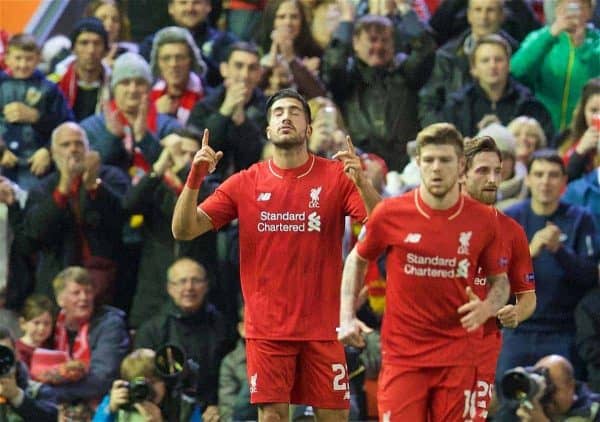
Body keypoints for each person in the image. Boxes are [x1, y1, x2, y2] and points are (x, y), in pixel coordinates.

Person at [172, 88, 381, 421]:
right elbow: (184, 230)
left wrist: (362, 183)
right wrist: (195, 179)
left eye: (296, 112)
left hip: (323, 327)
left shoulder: (335, 177)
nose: (286, 117)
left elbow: (382, 225)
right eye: (279, 112)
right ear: (268, 129)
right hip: (268, 330)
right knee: (272, 418)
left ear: (309, 130)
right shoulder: (245, 182)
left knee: (335, 418)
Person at [337, 122, 511, 421]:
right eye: (428, 160)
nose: (436, 168)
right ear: (418, 163)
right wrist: (346, 316)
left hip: (458, 356)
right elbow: (356, 258)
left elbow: (501, 283)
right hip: (404, 357)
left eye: (445, 160)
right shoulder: (392, 213)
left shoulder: (484, 221)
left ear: (461, 165)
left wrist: (487, 308)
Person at [497, 149, 600, 380]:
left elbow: (591, 277)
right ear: (529, 179)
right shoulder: (510, 219)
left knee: (560, 402)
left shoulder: (580, 219)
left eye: (553, 175)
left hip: (563, 330)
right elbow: (493, 277)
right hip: (517, 329)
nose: (545, 182)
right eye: (539, 174)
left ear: (564, 182)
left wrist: (560, 251)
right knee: (506, 403)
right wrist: (528, 254)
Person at [462, 136, 537, 420]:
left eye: (497, 171)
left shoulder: (512, 231)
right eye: (482, 171)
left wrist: (517, 312)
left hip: (483, 349)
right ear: (462, 172)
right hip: (435, 343)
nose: (492, 179)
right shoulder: (437, 222)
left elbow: (528, 295)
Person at [21, 122, 128, 301]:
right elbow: (35, 233)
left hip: (108, 281)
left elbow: (121, 216)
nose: (73, 149)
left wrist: (93, 186)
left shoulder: (111, 177)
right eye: (66, 145)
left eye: (79, 144)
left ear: (89, 149)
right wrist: (64, 185)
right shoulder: (42, 189)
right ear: (54, 155)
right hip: (57, 282)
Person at [321, 8, 436, 171]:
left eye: (385, 40)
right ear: (355, 43)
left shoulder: (407, 73)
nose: (379, 46)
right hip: (360, 166)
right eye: (372, 39)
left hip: (406, 168)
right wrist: (346, 21)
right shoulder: (346, 80)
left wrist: (405, 9)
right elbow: (333, 65)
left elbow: (426, 50)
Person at [134, 257, 235, 421]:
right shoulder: (151, 330)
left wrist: (219, 406)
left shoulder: (223, 326)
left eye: (196, 280)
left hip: (214, 411)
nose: (189, 287)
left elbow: (232, 374)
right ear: (169, 288)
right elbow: (142, 377)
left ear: (206, 286)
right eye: (181, 281)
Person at [38, 266, 130, 405]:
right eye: (76, 293)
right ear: (60, 300)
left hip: (101, 405)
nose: (84, 298)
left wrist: (51, 393)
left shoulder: (110, 325)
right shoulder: (49, 323)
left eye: (88, 292)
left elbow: (102, 379)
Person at [419, 0, 517, 128]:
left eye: (490, 10)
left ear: (502, 16)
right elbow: (428, 104)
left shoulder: (518, 54)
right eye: (478, 10)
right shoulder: (447, 56)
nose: (484, 17)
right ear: (469, 15)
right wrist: (448, 137)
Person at [510, 0, 600, 132]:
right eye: (567, 6)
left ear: (590, 11)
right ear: (557, 10)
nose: (573, 13)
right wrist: (550, 35)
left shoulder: (597, 43)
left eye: (579, 6)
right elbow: (516, 71)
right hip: (542, 128)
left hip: (584, 131)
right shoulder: (539, 38)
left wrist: (582, 48)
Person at [441, 34, 554, 138]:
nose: (493, 65)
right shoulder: (456, 106)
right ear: (473, 69)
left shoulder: (530, 105)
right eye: (485, 60)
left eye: (498, 60)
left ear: (509, 65)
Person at [0, 33, 73, 190]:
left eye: (29, 58)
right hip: (4, 163)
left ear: (38, 58)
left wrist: (48, 150)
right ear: (7, 58)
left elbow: (66, 124)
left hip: (37, 166)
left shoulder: (50, 89)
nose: (23, 64)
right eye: (18, 58)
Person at [187, 42, 266, 178]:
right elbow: (198, 151)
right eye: (238, 66)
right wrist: (224, 111)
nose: (245, 75)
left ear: (259, 74)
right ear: (224, 69)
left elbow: (260, 154)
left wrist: (242, 122)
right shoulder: (204, 106)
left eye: (252, 68)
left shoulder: (269, 109)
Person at [49, 17, 111, 122]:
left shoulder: (115, 87)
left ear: (105, 50)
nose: (91, 50)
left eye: (97, 43)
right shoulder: (53, 85)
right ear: (73, 49)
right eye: (84, 43)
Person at [511, 355, 600, 421]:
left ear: (571, 387)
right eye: (543, 389)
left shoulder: (596, 410)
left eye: (552, 389)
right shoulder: (526, 408)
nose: (547, 397)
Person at [149, 26, 208, 126]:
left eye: (180, 57)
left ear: (191, 61)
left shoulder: (208, 99)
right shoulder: (147, 99)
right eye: (166, 58)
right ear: (158, 63)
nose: (173, 64)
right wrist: (154, 112)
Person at [0, 326, 58, 422]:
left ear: (16, 355)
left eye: (4, 353)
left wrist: (17, 397)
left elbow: (51, 418)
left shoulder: (40, 391)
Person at [558, 77, 600, 181]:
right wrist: (579, 152)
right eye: (593, 111)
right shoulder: (566, 139)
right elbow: (560, 182)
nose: (599, 117)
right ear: (583, 111)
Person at [15, 294, 54, 368]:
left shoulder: (48, 348)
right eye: (36, 323)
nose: (42, 328)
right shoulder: (18, 351)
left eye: (47, 323)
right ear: (23, 323)